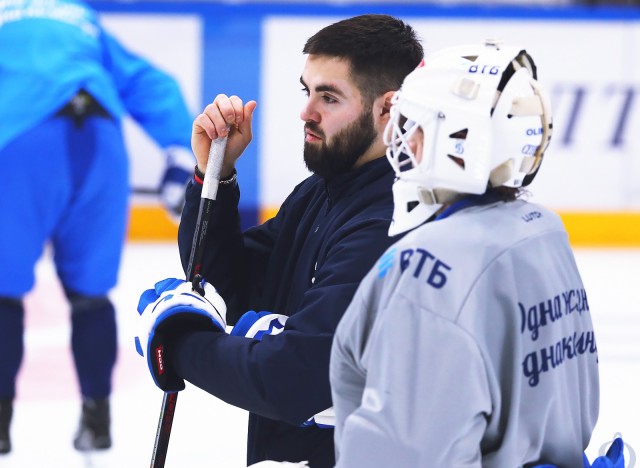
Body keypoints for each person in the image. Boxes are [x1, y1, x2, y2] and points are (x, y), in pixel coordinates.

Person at [134, 14, 423, 467]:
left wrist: (178, 346)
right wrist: (216, 175)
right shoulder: (325, 190)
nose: (306, 112)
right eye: (306, 91)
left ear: (389, 108)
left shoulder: (388, 222)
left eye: (328, 97)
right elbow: (232, 283)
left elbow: (292, 378)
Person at [329, 40, 600, 467]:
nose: (402, 141)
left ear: (460, 141)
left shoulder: (427, 263)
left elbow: (404, 455)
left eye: (415, 126)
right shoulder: (544, 229)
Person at [0, 0, 195, 455]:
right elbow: (151, 83)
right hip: (101, 141)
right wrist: (178, 150)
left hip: (21, 139)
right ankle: (97, 419)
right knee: (90, 295)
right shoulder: (78, 16)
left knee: (3, 292)